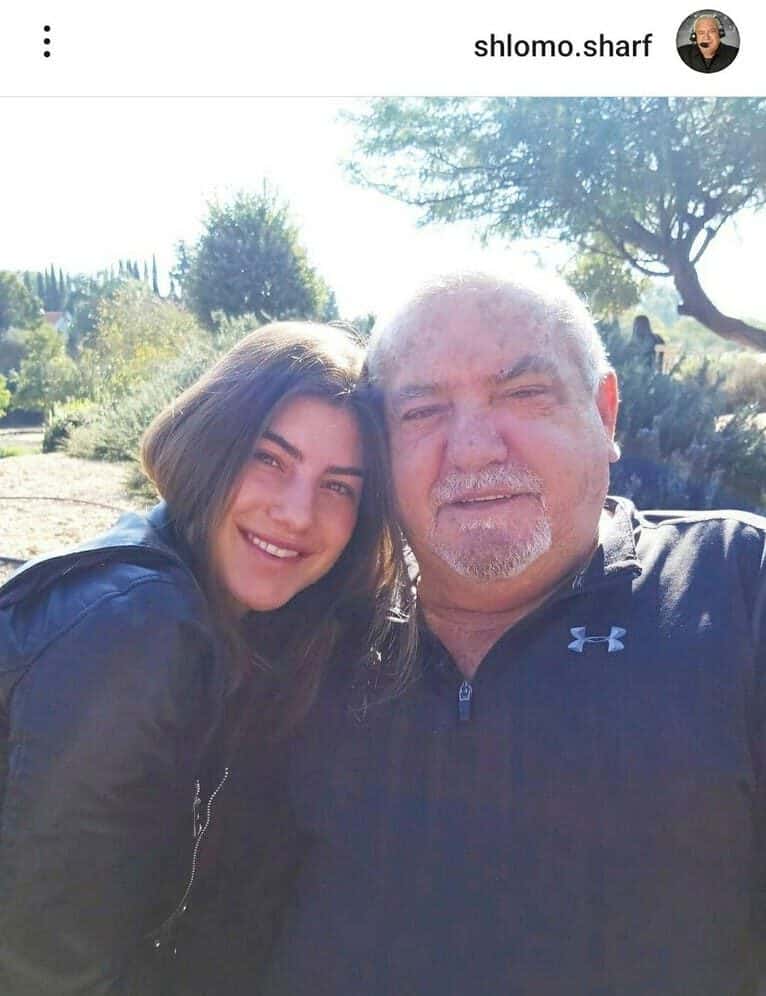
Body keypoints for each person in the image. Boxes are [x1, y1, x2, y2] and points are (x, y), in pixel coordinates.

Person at [257, 271, 766, 995]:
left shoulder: (737, 589)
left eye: (524, 394)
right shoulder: (308, 628)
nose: (472, 450)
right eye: (422, 411)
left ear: (605, 413)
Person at [0, 321, 414, 995]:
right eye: (270, 459)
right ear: (211, 445)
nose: (296, 513)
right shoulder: (136, 633)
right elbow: (46, 968)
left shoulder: (240, 615)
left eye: (338, 486)